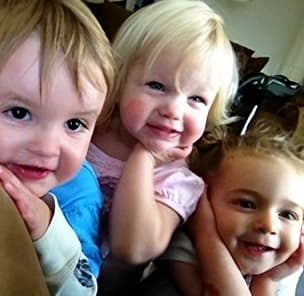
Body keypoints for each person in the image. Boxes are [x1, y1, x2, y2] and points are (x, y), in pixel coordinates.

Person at [85, 0, 238, 294]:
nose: (174, 109)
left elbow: (132, 249)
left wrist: (145, 156)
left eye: (196, 99)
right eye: (157, 85)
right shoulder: (88, 129)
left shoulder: (178, 181)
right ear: (118, 81)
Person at [0, 0, 114, 294]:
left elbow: (84, 291)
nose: (48, 147)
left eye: (75, 124)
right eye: (19, 113)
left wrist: (47, 231)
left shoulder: (77, 195)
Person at [154, 108, 304, 295]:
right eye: (247, 204)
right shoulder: (184, 248)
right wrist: (205, 233)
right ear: (205, 200)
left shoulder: (283, 268)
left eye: (288, 214)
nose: (268, 225)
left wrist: (268, 280)